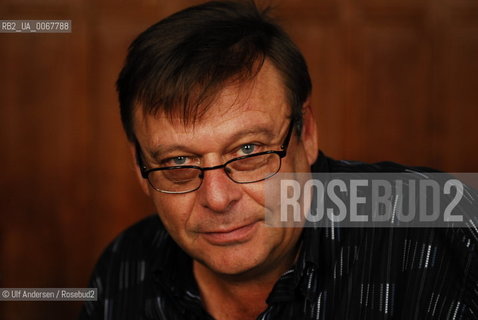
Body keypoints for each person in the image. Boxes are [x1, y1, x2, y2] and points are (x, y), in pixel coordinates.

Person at [79, 1, 478, 319]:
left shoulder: (443, 227)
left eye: (249, 151)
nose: (217, 199)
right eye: (179, 162)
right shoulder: (124, 267)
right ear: (140, 168)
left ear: (306, 135)